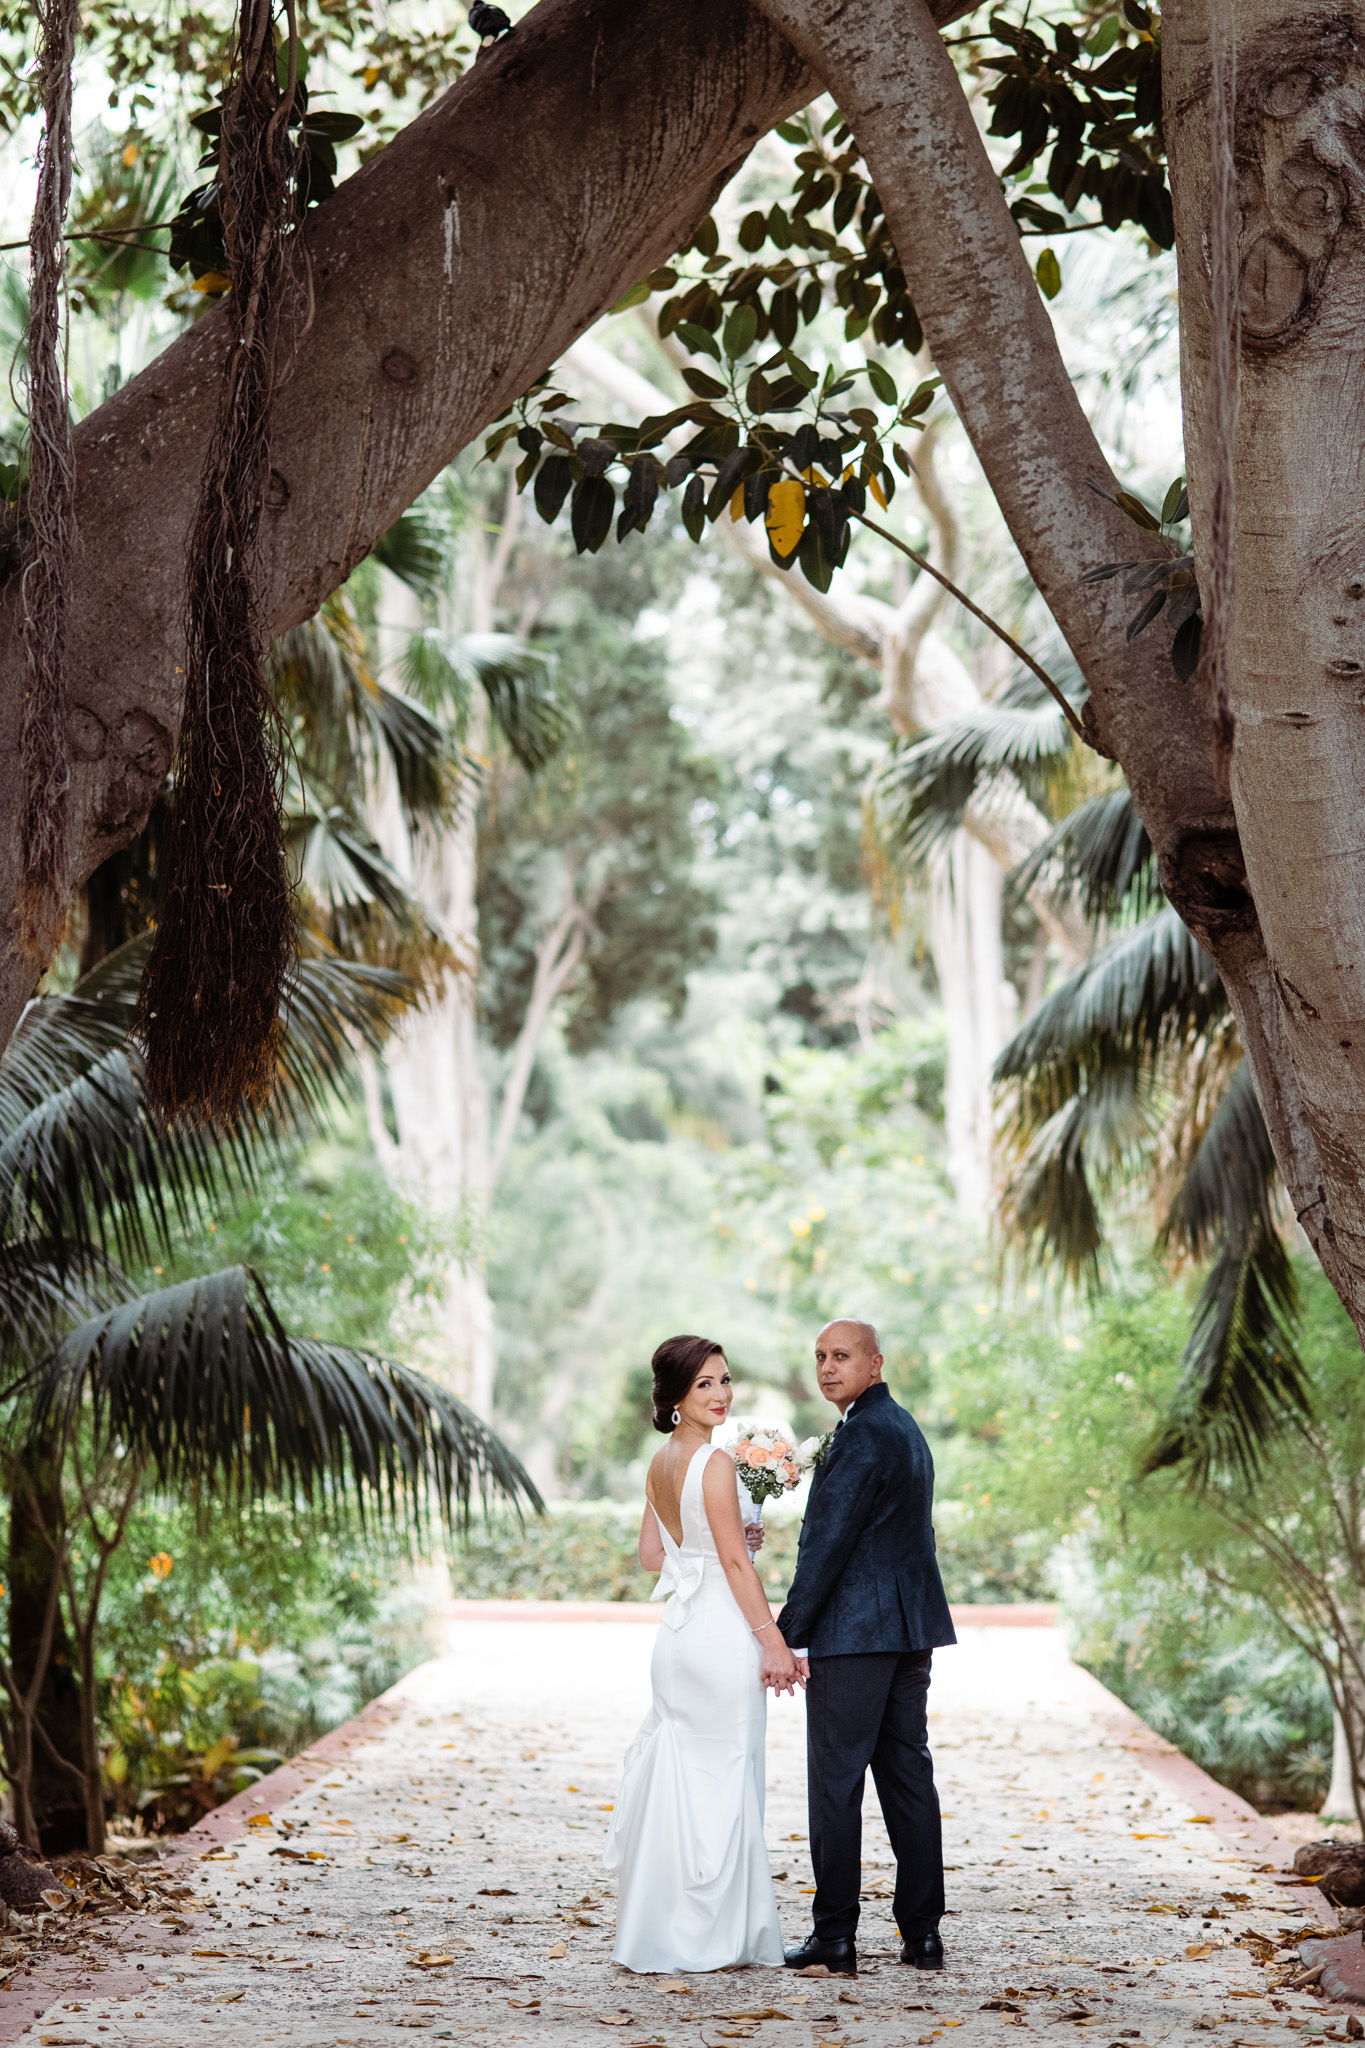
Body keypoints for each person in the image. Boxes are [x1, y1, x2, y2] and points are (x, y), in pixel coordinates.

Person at [605, 1333, 800, 1973]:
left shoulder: (660, 1462)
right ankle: (716, 1938)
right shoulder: (715, 1465)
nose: (720, 1395)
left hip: (677, 1639)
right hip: (718, 1637)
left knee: (685, 1779)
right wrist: (774, 1642)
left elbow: (653, 1557)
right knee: (726, 1781)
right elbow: (739, 1570)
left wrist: (723, 1542)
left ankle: (659, 1932)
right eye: (704, 1385)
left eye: (723, 1380)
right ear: (676, 1398)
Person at [776, 1319, 956, 1978]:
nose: (827, 1367)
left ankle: (833, 1937)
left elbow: (826, 1544)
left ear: (874, 1364)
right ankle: (922, 1934)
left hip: (856, 1637)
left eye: (841, 1356)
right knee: (908, 1779)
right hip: (909, 1633)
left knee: (835, 1784)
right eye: (819, 1356)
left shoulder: (859, 1438)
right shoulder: (902, 1429)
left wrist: (785, 1630)